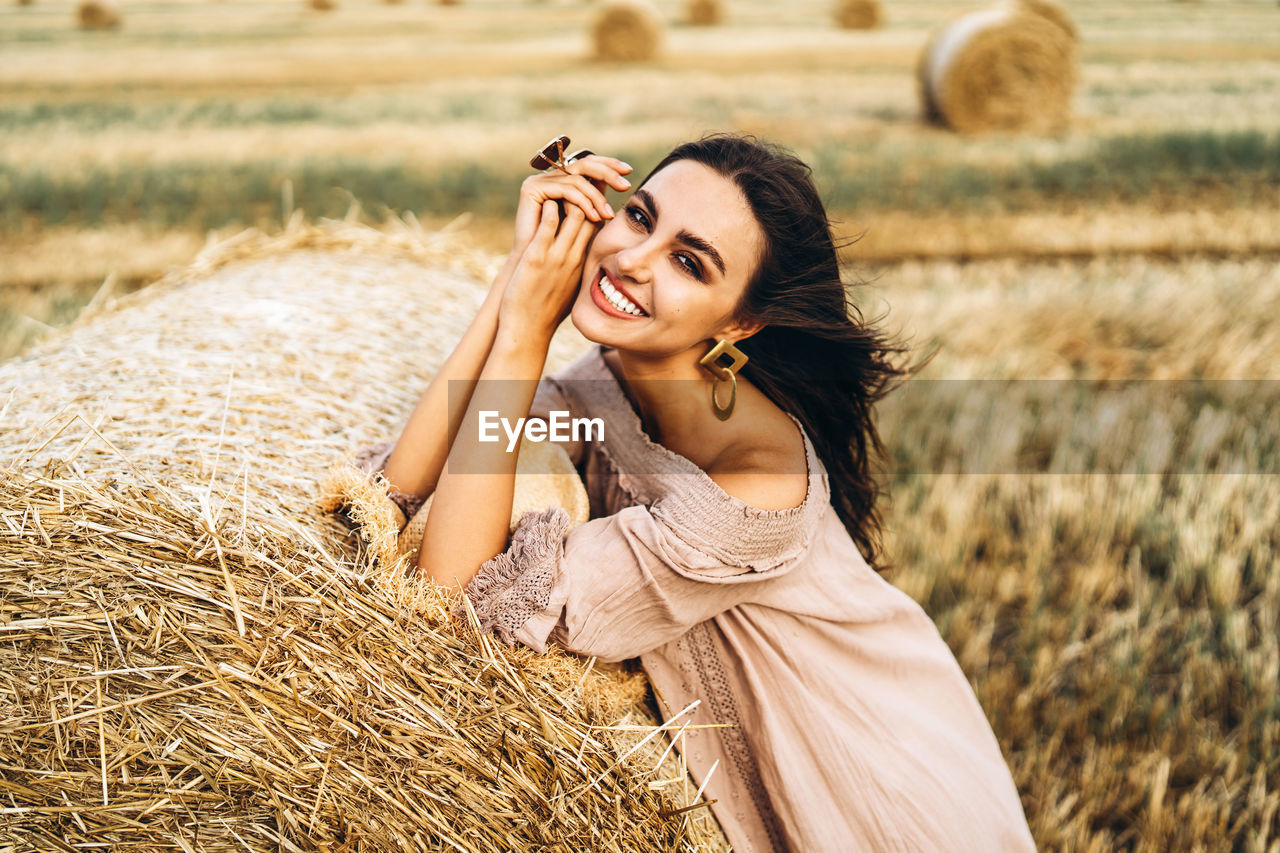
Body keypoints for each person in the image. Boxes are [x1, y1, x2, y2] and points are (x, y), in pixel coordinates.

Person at [358, 133, 1036, 851]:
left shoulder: (753, 488)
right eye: (640, 217)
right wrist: (519, 281)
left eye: (688, 261)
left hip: (879, 790)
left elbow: (450, 595)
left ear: (740, 322)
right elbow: (402, 484)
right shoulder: (606, 384)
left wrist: (527, 333)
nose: (632, 260)